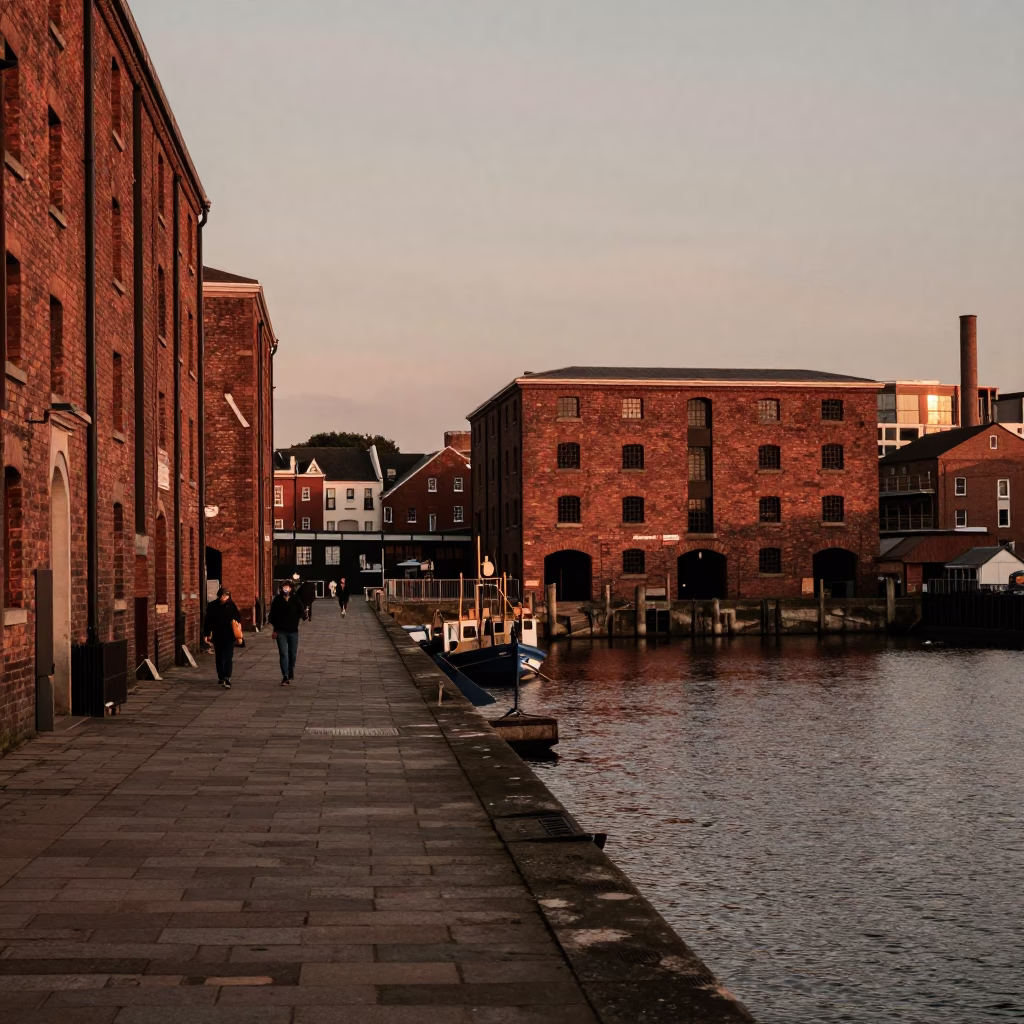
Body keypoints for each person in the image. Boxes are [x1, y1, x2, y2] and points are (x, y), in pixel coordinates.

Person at [269, 578, 306, 686]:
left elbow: (301, 612)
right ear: (281, 588)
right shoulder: (277, 600)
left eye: (288, 587)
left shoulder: (295, 599)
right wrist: (275, 628)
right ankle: (285, 675)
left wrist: (304, 615)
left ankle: (290, 672)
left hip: (293, 631)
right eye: (284, 587)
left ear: (291, 588)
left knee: (292, 653)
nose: (286, 589)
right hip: (280, 631)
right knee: (283, 653)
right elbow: (272, 616)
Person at [204, 586, 241, 689]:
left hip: (229, 635)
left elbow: (238, 619)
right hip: (218, 635)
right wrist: (206, 634)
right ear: (219, 595)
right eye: (223, 595)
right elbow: (208, 621)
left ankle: (227, 677)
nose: (225, 597)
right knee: (219, 657)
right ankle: (221, 676)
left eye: (227, 596)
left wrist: (238, 634)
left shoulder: (232, 606)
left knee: (228, 656)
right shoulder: (212, 606)